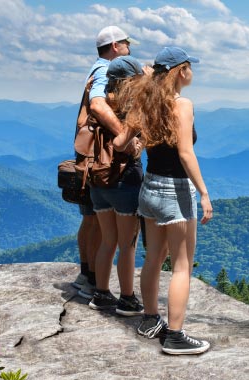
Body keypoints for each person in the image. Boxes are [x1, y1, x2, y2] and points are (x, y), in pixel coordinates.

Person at [127, 46, 213, 355]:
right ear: (180, 71)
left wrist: (136, 142)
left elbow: (123, 140)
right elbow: (185, 153)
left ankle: (150, 319)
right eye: (190, 67)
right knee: (181, 266)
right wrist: (203, 192)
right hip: (176, 191)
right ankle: (175, 336)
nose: (193, 73)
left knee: (153, 258)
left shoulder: (147, 102)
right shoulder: (182, 104)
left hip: (149, 188)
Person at [75, 25, 138, 300]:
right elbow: (99, 105)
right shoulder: (105, 71)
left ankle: (88, 277)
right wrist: (125, 136)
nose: (129, 48)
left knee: (92, 218)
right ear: (114, 46)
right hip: (107, 161)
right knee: (111, 232)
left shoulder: (94, 69)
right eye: (125, 43)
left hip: (89, 157)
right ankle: (97, 284)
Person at [87, 55, 147, 316]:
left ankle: (100, 293)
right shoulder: (130, 106)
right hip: (125, 180)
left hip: (97, 179)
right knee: (127, 245)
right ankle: (127, 299)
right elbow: (134, 146)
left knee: (107, 241)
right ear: (130, 80)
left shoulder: (98, 102)